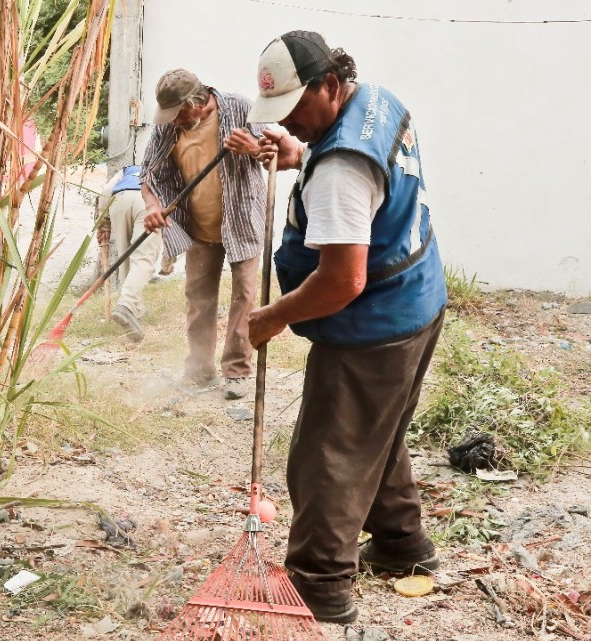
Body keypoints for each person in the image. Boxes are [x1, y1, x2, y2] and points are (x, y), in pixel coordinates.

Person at [246, 31, 448, 623]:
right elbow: (352, 159)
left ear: (330, 84)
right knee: (375, 430)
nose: (291, 123)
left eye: (295, 112)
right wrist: (298, 154)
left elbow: (341, 281)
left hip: (373, 324)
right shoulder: (376, 101)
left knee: (328, 455)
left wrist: (273, 317)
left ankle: (320, 584)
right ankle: (401, 545)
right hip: (418, 300)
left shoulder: (338, 169)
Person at [142, 69, 267, 400]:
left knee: (244, 297)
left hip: (242, 222)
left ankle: (237, 372)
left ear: (196, 102)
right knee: (198, 299)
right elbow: (149, 175)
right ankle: (199, 370)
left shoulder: (240, 108)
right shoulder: (168, 126)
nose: (174, 121)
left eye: (179, 113)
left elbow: (275, 155)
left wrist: (253, 148)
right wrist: (154, 207)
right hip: (198, 225)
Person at [96, 164, 160, 341]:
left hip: (119, 199)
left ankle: (133, 309)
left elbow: (106, 191)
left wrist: (104, 223)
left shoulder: (127, 170)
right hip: (148, 202)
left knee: (125, 256)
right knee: (144, 259)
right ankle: (127, 305)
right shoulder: (164, 165)